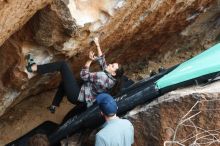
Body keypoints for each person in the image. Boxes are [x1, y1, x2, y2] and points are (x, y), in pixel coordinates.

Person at [26, 37, 124, 113]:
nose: (109, 65)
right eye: (112, 64)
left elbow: (84, 75)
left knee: (62, 65)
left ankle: (34, 67)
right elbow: (102, 61)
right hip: (83, 98)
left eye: (112, 66)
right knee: (64, 83)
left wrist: (89, 60)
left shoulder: (103, 76)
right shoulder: (112, 79)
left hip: (76, 95)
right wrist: (97, 44)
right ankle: (54, 106)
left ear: (114, 72)